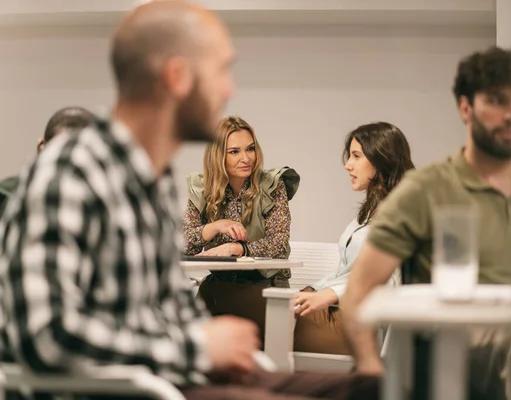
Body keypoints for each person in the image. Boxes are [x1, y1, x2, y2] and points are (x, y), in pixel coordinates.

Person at [0, 2, 379, 400]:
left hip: (178, 377)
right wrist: (196, 348)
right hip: (136, 389)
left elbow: (169, 306)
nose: (228, 89)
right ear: (177, 76)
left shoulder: (152, 181)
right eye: (221, 70)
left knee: (377, 388)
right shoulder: (70, 174)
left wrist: (210, 338)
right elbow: (42, 336)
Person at [340, 46, 511, 400]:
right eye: (497, 101)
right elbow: (357, 294)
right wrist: (372, 371)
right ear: (465, 108)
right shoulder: (425, 191)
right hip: (453, 374)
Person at [293, 121, 414, 355]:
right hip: (346, 312)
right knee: (275, 310)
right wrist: (314, 289)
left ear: (381, 159)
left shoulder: (404, 213)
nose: (348, 165)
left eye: (356, 156)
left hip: (367, 326)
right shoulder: (368, 213)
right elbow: (345, 272)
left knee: (270, 322)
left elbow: (392, 279)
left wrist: (331, 294)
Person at [183, 115, 299, 340]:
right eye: (234, 151)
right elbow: (183, 242)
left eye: (250, 149)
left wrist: (238, 249)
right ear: (218, 156)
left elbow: (278, 243)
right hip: (221, 286)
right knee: (187, 336)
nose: (246, 158)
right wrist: (215, 226)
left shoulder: (272, 185)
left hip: (266, 286)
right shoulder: (202, 189)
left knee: (208, 327)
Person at [0, 106, 94, 216]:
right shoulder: (6, 197)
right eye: (61, 151)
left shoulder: (109, 204)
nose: (70, 162)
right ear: (41, 148)